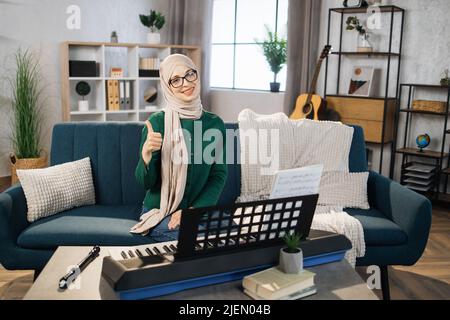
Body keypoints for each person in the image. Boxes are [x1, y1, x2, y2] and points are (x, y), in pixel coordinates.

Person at [130, 54, 228, 241]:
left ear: (197, 75)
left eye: (189, 74)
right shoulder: (157, 123)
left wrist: (193, 212)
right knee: (192, 239)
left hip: (199, 210)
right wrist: (146, 156)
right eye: (175, 80)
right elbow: (145, 183)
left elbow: (218, 175)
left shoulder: (215, 124)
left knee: (242, 233)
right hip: (161, 210)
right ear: (168, 87)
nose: (185, 83)